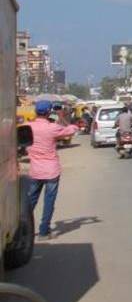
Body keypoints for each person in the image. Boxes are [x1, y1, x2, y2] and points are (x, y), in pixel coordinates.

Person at [28, 100, 78, 239]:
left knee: (30, 202)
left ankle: (24, 229)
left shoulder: (28, 126)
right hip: (51, 171)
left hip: (35, 170)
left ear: (35, 111)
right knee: (49, 202)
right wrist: (61, 116)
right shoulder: (53, 128)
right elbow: (73, 130)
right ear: (49, 112)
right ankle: (44, 231)